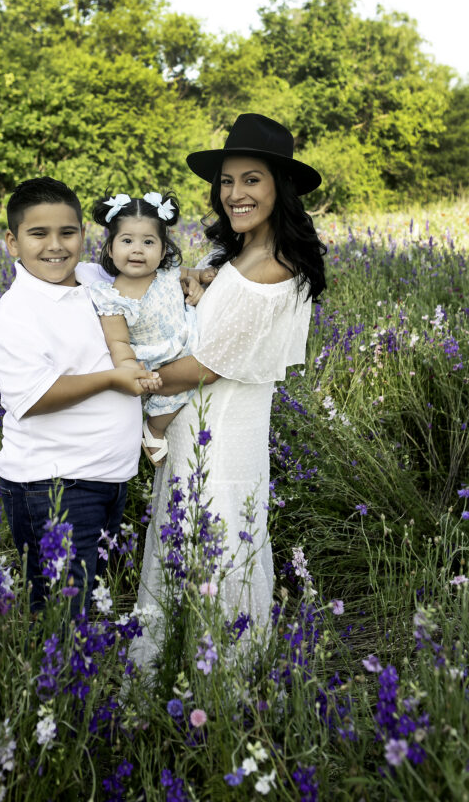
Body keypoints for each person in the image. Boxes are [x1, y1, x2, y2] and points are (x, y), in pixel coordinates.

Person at [131, 113, 326, 669]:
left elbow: (203, 366)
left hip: (218, 446)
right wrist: (196, 278)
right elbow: (209, 312)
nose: (235, 194)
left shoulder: (268, 269)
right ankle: (183, 677)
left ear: (279, 188)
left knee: (215, 559)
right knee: (193, 555)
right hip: (198, 433)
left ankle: (216, 690)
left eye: (251, 180)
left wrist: (125, 382)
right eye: (226, 181)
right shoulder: (236, 256)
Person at [0, 176, 160, 618]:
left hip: (106, 478)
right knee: (65, 616)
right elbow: (36, 396)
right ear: (12, 242)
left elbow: (143, 276)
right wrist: (111, 378)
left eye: (67, 232)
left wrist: (190, 278)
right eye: (38, 234)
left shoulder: (91, 277)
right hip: (53, 485)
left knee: (89, 602)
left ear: (84, 235)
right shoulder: (17, 311)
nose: (55, 246)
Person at [89, 191, 215, 466]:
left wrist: (200, 276)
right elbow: (119, 343)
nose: (137, 249)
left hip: (188, 338)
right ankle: (154, 428)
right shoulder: (112, 298)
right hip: (157, 359)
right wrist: (130, 368)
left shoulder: (168, 273)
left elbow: (189, 273)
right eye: (127, 241)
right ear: (110, 249)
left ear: (162, 250)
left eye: (148, 241)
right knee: (172, 394)